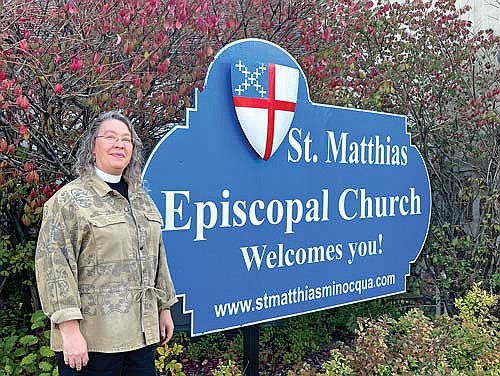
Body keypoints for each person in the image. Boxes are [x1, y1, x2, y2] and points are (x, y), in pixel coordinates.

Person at [35, 111, 178, 375]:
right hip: (93, 343)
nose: (119, 144)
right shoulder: (69, 201)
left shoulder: (141, 198)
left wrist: (163, 307)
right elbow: (53, 265)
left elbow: (157, 254)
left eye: (126, 139)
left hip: (141, 338)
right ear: (92, 147)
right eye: (110, 137)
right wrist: (70, 330)